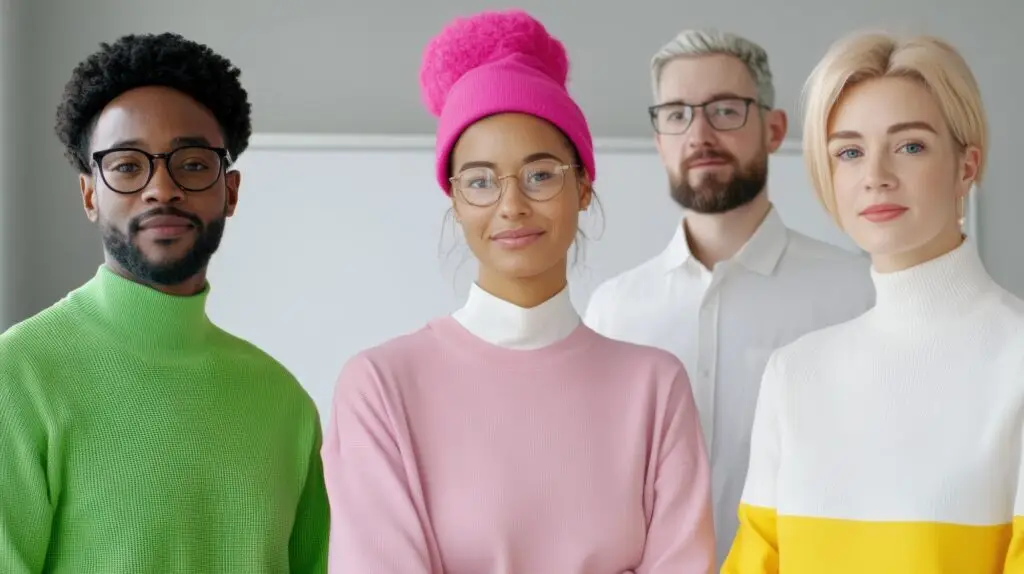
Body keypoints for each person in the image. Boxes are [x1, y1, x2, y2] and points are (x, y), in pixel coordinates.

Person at [320, 9, 715, 573]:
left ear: (581, 186)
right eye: (480, 181)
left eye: (540, 174)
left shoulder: (655, 387)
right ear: (454, 202)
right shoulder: (381, 386)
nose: (511, 205)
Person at [0, 33, 329, 573]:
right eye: (128, 165)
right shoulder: (20, 374)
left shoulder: (284, 401)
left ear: (231, 191)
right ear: (90, 194)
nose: (161, 188)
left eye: (193, 164)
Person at [723, 31, 1024, 573]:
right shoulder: (795, 374)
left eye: (910, 146)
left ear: (967, 166)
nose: (875, 177)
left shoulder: (1016, 361)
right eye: (850, 152)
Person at [582, 28, 876, 564]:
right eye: (676, 114)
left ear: (773, 128)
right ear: (659, 140)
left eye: (724, 110)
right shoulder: (614, 310)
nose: (698, 133)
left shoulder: (857, 292)